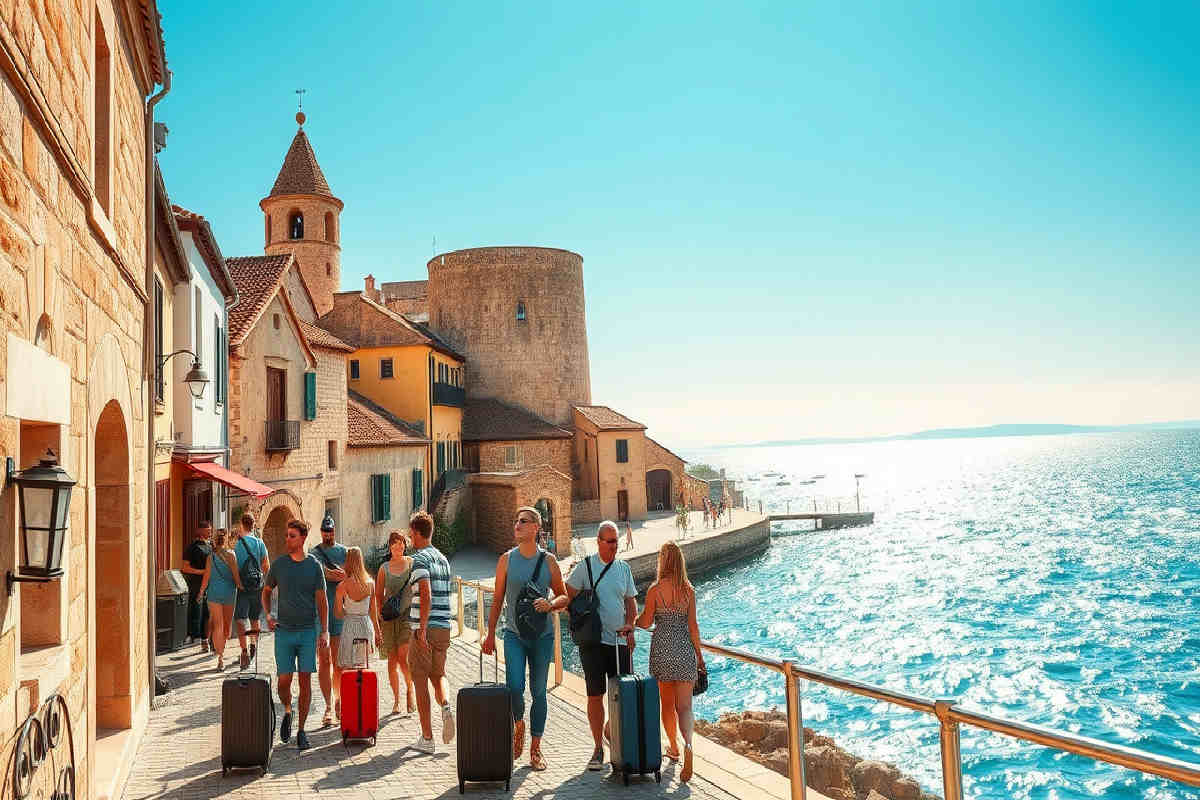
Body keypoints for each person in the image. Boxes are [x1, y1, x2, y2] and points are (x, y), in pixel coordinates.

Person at [482, 507, 568, 771]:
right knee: (515, 687)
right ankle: (518, 724)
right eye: (515, 521)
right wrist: (489, 634)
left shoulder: (549, 561)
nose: (516, 525)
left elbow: (564, 596)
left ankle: (535, 749)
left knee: (539, 692)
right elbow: (497, 599)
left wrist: (550, 603)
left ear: (536, 528)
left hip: (542, 637)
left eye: (523, 521)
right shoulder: (506, 560)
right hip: (514, 635)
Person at [564, 520, 638, 771]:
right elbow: (567, 594)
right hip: (593, 643)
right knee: (595, 695)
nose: (615, 545)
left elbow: (631, 602)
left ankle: (610, 729)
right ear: (599, 542)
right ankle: (598, 748)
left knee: (623, 694)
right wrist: (578, 619)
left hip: (619, 642)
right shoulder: (585, 567)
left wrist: (630, 626)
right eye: (610, 541)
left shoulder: (623, 568)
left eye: (617, 541)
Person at [636, 541, 705, 782]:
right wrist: (699, 657)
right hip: (684, 650)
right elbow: (693, 627)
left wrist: (633, 621)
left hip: (662, 651)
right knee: (685, 707)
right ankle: (688, 744)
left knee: (667, 704)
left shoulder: (655, 590)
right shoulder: (689, 590)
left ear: (663, 561)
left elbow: (646, 622)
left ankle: (673, 748)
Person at [262, 519, 328, 752]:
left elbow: (322, 601)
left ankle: (301, 730)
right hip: (284, 632)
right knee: (284, 681)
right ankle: (288, 710)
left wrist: (325, 631)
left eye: (292, 536)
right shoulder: (279, 565)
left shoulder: (314, 566)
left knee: (305, 681)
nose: (287, 539)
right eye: (287, 535)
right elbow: (266, 591)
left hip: (308, 631)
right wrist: (268, 614)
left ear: (302, 538)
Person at [406, 510, 456, 754]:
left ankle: (427, 738)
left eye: (410, 534)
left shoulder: (419, 559)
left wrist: (422, 629)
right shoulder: (443, 559)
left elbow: (425, 594)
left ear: (417, 533)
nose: (410, 538)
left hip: (424, 629)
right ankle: (446, 706)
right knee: (439, 674)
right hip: (444, 626)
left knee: (419, 680)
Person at [310, 515, 348, 726]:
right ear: (321, 532)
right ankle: (327, 706)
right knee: (324, 660)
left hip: (339, 613)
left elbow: (352, 576)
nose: (328, 534)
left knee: (339, 661)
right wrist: (330, 574)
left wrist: (340, 575)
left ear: (334, 530)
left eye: (330, 531)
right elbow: (322, 575)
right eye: (325, 531)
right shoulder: (314, 554)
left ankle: (339, 699)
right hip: (319, 615)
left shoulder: (344, 552)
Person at [376, 530, 417, 715]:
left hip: (407, 616)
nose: (399, 546)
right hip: (389, 618)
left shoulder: (412, 564)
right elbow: (378, 596)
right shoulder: (384, 568)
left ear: (405, 545)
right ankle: (396, 701)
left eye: (401, 542)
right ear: (390, 546)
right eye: (395, 543)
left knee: (403, 657)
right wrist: (379, 617)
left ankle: (410, 688)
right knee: (392, 661)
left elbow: (420, 588)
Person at [198, 529, 243, 671]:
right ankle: (222, 651)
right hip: (229, 593)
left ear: (215, 541)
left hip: (213, 594)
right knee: (226, 627)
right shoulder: (231, 555)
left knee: (217, 625)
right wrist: (242, 587)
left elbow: (206, 577)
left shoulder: (210, 557)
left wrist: (201, 592)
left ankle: (220, 658)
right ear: (226, 540)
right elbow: (236, 576)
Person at [232, 512, 270, 670]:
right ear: (253, 525)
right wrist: (262, 579)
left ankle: (244, 651)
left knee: (240, 619)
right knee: (255, 617)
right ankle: (254, 644)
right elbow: (266, 565)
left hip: (242, 586)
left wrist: (238, 582)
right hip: (257, 585)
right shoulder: (260, 543)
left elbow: (234, 567)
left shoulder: (238, 544)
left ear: (242, 524)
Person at [334, 547, 382, 670]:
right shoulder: (370, 583)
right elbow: (373, 611)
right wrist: (378, 632)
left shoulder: (342, 586)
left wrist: (347, 609)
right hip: (366, 626)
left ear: (347, 561)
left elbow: (338, 613)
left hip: (349, 626)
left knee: (349, 668)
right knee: (363, 667)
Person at [181, 520, 213, 650]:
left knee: (207, 612)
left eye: (211, 530)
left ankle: (205, 639)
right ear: (200, 530)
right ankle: (193, 636)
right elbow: (185, 568)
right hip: (195, 583)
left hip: (210, 585)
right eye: (208, 530)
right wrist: (203, 572)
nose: (210, 532)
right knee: (196, 610)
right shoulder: (192, 548)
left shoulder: (210, 547)